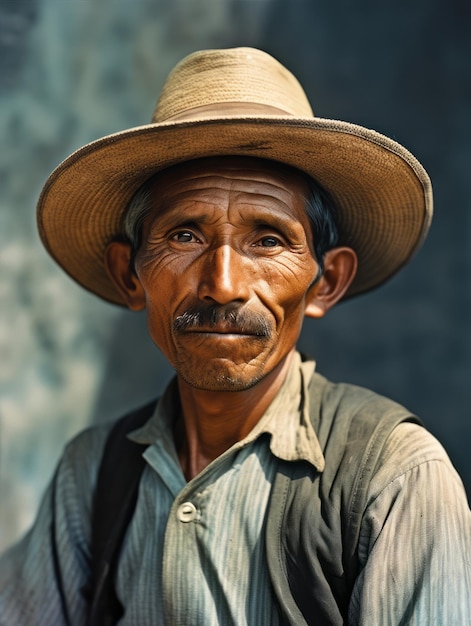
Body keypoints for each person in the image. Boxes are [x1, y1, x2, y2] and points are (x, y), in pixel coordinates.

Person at [0, 47, 470, 626]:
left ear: (326, 282)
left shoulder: (393, 478)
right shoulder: (93, 474)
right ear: (130, 274)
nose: (222, 285)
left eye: (268, 240)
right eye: (185, 236)